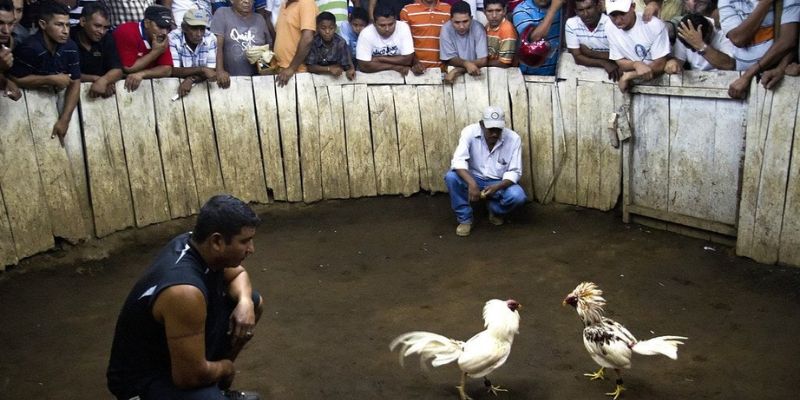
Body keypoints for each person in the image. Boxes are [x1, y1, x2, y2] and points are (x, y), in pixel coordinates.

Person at [107, 195, 263, 400]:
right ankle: (213, 390)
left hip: (171, 355)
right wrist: (226, 368)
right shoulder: (184, 292)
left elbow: (239, 274)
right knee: (205, 392)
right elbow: (188, 377)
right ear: (217, 241)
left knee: (254, 301)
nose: (251, 249)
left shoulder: (197, 243)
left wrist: (245, 302)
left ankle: (215, 388)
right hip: (142, 382)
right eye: (244, 241)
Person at [445, 106, 526, 237]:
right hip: (474, 177)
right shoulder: (469, 132)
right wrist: (472, 184)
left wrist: (498, 186)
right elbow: (458, 161)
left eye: (498, 129)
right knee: (451, 177)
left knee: (518, 196)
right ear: (482, 125)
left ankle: (494, 209)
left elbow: (515, 171)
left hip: (498, 181)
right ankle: (465, 218)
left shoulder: (513, 139)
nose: (494, 133)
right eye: (490, 129)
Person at [9, 0, 80, 145]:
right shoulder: (29, 48)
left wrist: (65, 119)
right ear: (43, 24)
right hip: (23, 111)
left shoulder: (70, 47)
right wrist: (51, 79)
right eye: (59, 25)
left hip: (54, 110)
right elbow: (15, 78)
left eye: (67, 25)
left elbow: (75, 82)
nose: (65, 31)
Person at [720, 0, 800, 99]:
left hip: (776, 76)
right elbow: (739, 39)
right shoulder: (726, 1)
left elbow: (788, 40)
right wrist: (765, 3)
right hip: (741, 82)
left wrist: (748, 75)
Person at [604, 0, 670, 92]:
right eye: (613, 15)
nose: (618, 20)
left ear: (633, 7)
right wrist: (636, 64)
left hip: (663, 85)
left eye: (622, 13)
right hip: (636, 88)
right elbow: (619, 60)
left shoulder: (654, 25)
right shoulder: (609, 27)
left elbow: (660, 64)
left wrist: (629, 75)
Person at [113, 4, 174, 92]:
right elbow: (129, 68)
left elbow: (167, 70)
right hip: (117, 87)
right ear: (147, 23)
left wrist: (142, 74)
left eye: (167, 28)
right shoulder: (127, 31)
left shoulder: (161, 36)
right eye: (160, 26)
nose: (164, 32)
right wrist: (155, 52)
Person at [210, 0, 271, 86]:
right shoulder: (222, 13)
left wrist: (265, 72)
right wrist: (220, 71)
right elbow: (216, 46)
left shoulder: (259, 19)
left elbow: (267, 49)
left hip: (256, 80)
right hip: (230, 80)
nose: (247, 1)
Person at [71, 2, 123, 98]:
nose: (102, 32)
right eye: (97, 26)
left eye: (106, 27)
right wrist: (96, 79)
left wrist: (104, 81)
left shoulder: (107, 38)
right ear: (83, 21)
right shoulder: (69, 38)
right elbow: (66, 75)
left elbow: (118, 70)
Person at [565, 0, 619, 80]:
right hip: (585, 76)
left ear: (598, 6)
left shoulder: (611, 23)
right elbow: (578, 58)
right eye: (581, 10)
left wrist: (590, 53)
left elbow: (620, 56)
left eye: (589, 8)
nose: (586, 14)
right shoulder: (572, 24)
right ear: (576, 11)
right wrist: (603, 63)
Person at [170, 7, 218, 98]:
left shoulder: (210, 38)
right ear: (184, 27)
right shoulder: (173, 38)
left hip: (202, 93)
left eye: (202, 29)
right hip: (172, 88)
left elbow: (210, 72)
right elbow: (173, 71)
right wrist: (202, 69)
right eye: (194, 29)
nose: (199, 34)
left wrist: (191, 79)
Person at [355, 4, 416, 74]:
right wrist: (396, 67)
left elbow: (408, 59)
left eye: (391, 24)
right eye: (382, 25)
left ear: (396, 21)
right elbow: (364, 66)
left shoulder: (403, 28)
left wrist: (379, 59)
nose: (387, 29)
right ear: (374, 23)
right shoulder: (365, 33)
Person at [665, 12, 734, 72]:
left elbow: (729, 65)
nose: (694, 50)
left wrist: (700, 46)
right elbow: (678, 61)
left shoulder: (722, 30)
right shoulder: (686, 32)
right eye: (691, 48)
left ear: (710, 30)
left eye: (695, 47)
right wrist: (673, 64)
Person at [439, 0, 487, 83]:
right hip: (453, 79)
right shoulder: (446, 29)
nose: (461, 26)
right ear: (451, 20)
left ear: (471, 18)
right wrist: (466, 64)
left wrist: (457, 70)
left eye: (465, 21)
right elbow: (449, 58)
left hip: (477, 77)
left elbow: (483, 61)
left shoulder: (478, 28)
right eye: (457, 22)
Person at [512, 0, 563, 75]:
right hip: (531, 74)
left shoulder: (561, 6)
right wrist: (553, 9)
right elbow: (534, 39)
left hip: (557, 71)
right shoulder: (522, 10)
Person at [273, 0, 317, 86]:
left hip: (298, 73)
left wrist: (291, 68)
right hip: (282, 71)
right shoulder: (284, 5)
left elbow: (307, 38)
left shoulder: (307, 3)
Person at [400, 0, 451, 72]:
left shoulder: (448, 10)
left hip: (444, 71)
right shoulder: (407, 11)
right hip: (418, 71)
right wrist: (415, 62)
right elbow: (404, 43)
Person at [305, 11, 356, 79]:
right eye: (323, 28)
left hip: (337, 80)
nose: (327, 32)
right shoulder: (314, 42)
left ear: (335, 27)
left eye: (331, 28)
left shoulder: (341, 43)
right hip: (316, 79)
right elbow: (310, 67)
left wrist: (350, 70)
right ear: (317, 28)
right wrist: (329, 69)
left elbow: (347, 66)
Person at [483, 0, 516, 68]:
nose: (494, 15)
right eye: (490, 11)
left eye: (498, 10)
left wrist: (480, 63)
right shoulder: (487, 26)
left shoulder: (507, 29)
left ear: (504, 10)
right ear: (484, 11)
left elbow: (505, 63)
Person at [0, 0, 20, 100]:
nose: (6, 31)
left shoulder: (10, 42)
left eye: (11, 24)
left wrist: (7, 83)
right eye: (0, 23)